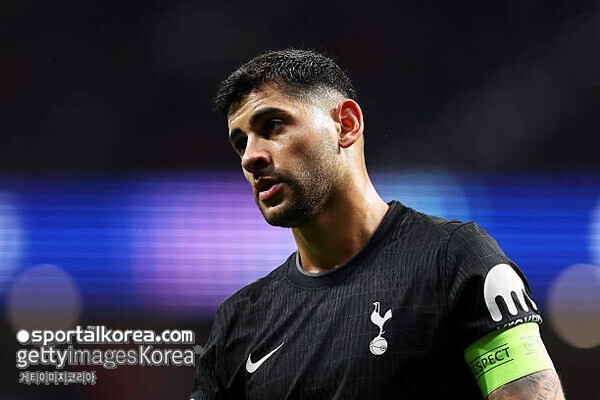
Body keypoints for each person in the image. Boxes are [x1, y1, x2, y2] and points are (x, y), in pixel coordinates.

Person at [189, 49, 565, 399]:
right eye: (241, 143)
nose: (250, 157)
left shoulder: (453, 261)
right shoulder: (238, 323)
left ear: (346, 124)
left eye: (272, 126)